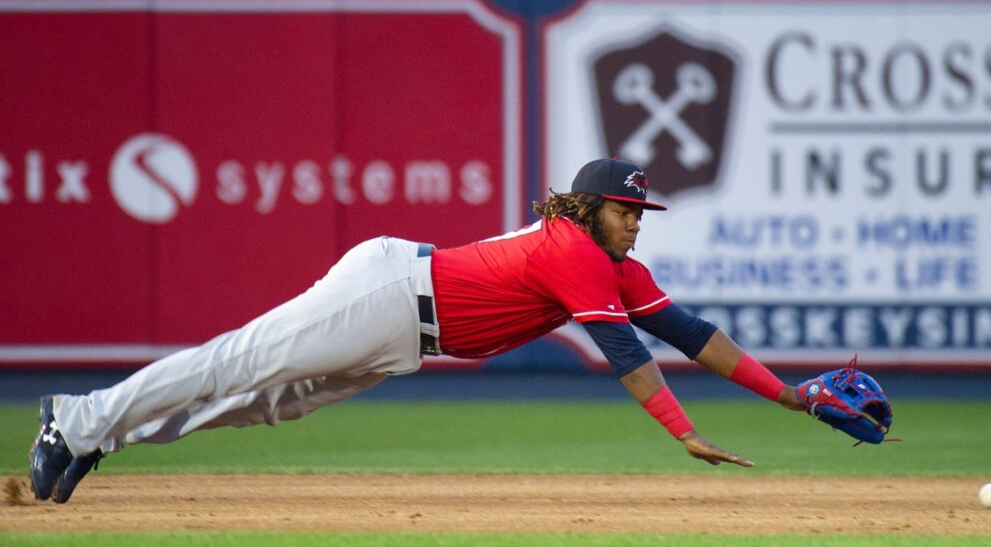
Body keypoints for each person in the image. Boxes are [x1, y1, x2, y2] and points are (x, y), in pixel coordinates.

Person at [29, 157, 806, 504]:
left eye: (641, 213)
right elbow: (629, 355)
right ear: (588, 207)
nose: (637, 222)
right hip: (389, 293)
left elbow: (694, 334)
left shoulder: (617, 268)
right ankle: (76, 420)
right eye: (627, 210)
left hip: (406, 336)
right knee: (235, 364)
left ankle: (101, 435)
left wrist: (790, 398)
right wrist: (683, 431)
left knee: (264, 404)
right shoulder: (574, 250)